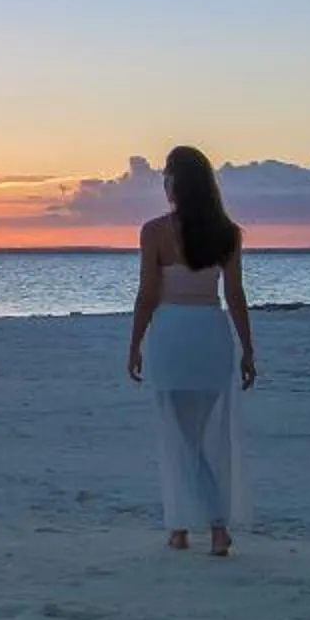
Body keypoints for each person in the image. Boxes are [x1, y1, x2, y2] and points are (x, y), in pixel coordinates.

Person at [125, 146, 256, 555]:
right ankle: (182, 525)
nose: (163, 182)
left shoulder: (155, 231)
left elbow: (147, 295)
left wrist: (134, 343)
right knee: (191, 434)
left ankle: (214, 524)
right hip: (210, 334)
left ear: (175, 182)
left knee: (182, 436)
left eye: (166, 175)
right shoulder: (227, 232)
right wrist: (247, 348)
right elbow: (234, 295)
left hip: (173, 334)